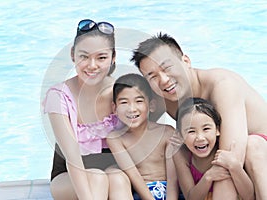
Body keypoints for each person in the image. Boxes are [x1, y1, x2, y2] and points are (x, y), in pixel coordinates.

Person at [130, 32, 267, 200]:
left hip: (255, 159)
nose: (164, 80)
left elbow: (228, 162)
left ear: (186, 61)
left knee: (253, 146)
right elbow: (134, 123)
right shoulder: (163, 95)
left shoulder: (223, 86)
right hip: (231, 170)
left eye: (167, 68)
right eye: (152, 76)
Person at [43, 19, 132, 200]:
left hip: (111, 172)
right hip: (68, 177)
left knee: (118, 178)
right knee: (97, 178)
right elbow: (72, 159)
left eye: (101, 58)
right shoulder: (59, 96)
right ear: (73, 55)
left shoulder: (124, 93)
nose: (92, 65)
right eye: (84, 56)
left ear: (113, 57)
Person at [107, 73, 179, 200]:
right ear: (115, 108)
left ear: (151, 105)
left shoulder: (166, 132)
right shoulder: (116, 138)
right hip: (139, 194)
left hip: (170, 193)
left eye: (139, 101)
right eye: (124, 102)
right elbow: (133, 175)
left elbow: (173, 177)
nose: (132, 109)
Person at [175, 97, 254, 200]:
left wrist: (235, 166)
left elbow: (250, 196)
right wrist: (208, 177)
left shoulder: (225, 151)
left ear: (217, 130)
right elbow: (190, 197)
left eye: (206, 129)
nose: (200, 138)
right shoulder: (181, 155)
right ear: (180, 135)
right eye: (191, 131)